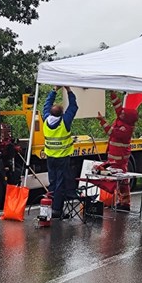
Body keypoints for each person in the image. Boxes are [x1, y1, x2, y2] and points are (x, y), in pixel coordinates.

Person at [43, 86, 78, 219]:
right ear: (61, 114)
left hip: (50, 157)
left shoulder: (46, 119)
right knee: (60, 184)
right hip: (62, 158)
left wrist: (54, 90)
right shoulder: (64, 121)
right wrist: (69, 91)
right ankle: (57, 210)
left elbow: (46, 105)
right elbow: (73, 107)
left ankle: (51, 208)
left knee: (52, 182)